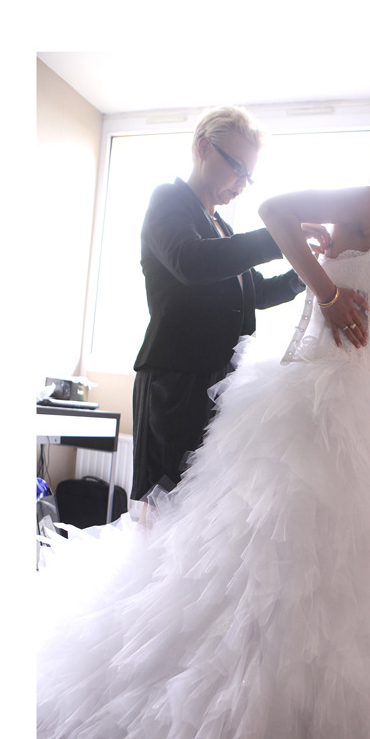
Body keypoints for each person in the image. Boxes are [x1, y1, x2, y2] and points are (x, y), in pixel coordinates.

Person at [37, 105, 370, 739]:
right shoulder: (361, 201)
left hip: (354, 394)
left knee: (337, 556)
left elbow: (265, 285)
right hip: (274, 387)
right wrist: (327, 287)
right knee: (234, 538)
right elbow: (272, 215)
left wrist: (316, 276)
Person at [132, 106, 325, 503]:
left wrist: (303, 272)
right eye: (238, 168)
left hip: (219, 381)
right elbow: (191, 261)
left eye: (248, 175)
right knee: (168, 504)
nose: (242, 183)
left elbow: (256, 293)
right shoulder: (168, 201)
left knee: (202, 508)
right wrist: (280, 236)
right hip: (177, 380)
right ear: (204, 148)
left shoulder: (222, 227)